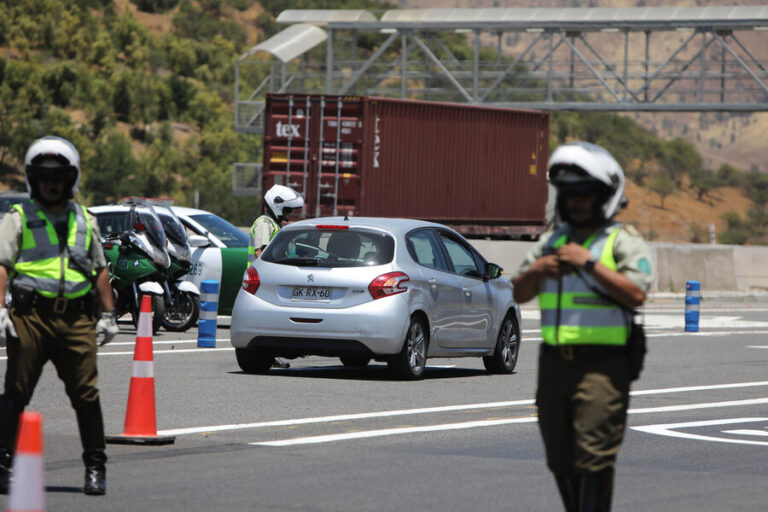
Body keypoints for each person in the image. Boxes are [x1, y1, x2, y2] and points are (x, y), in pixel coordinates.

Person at [511, 142, 653, 512]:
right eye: (569, 194)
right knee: (559, 458)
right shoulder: (550, 242)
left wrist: (589, 263)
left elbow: (637, 294)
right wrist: (536, 271)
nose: (575, 202)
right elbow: (518, 293)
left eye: (584, 194)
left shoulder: (622, 240)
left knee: (594, 458)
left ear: (603, 195)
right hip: (554, 364)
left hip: (602, 367)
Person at [0, 136, 119, 496]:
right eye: (44, 176)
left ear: (72, 179)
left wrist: (109, 314)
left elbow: (99, 269)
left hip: (76, 319)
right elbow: (2, 265)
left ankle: (95, 468)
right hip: (29, 317)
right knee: (16, 391)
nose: (52, 183)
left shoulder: (85, 219)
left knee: (86, 393)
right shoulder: (18, 217)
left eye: (59, 177)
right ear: (33, 180)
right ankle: (3, 466)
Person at [248, 184, 304, 368]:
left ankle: (271, 356)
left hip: (269, 278)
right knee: (264, 321)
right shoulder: (264, 223)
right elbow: (260, 252)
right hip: (261, 280)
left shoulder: (274, 224)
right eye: (287, 210)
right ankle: (266, 356)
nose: (288, 214)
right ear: (277, 205)